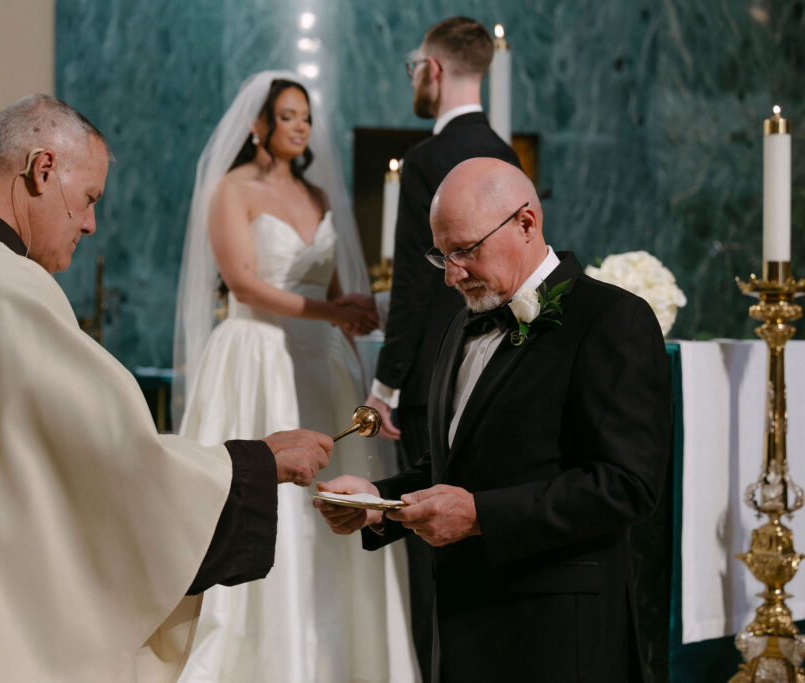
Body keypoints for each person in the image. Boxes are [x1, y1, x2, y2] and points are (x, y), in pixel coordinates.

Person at [0, 94, 336, 683]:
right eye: (89, 197)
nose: (92, 223)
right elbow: (111, 462)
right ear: (42, 170)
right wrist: (252, 464)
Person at [316, 157, 671, 682]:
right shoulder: (462, 324)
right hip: (463, 634)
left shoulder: (612, 319)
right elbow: (453, 462)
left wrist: (481, 515)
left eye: (465, 250)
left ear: (526, 223)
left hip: (557, 639)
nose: (451, 274)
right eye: (441, 255)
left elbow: (626, 486)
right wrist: (377, 501)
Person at [173, 71, 418, 682]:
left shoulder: (318, 199)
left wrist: (355, 309)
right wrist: (331, 310)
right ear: (259, 125)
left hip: (321, 362)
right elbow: (246, 282)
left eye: (305, 115)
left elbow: (331, 286)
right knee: (267, 499)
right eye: (287, 115)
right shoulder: (233, 189)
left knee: (334, 495)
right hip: (256, 356)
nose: (300, 125)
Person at [364, 17, 522, 678]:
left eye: (412, 69)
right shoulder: (507, 160)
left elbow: (415, 290)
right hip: (499, 370)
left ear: (433, 70)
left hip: (434, 372)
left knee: (427, 537)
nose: (413, 80)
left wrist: (385, 384)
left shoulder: (428, 161)